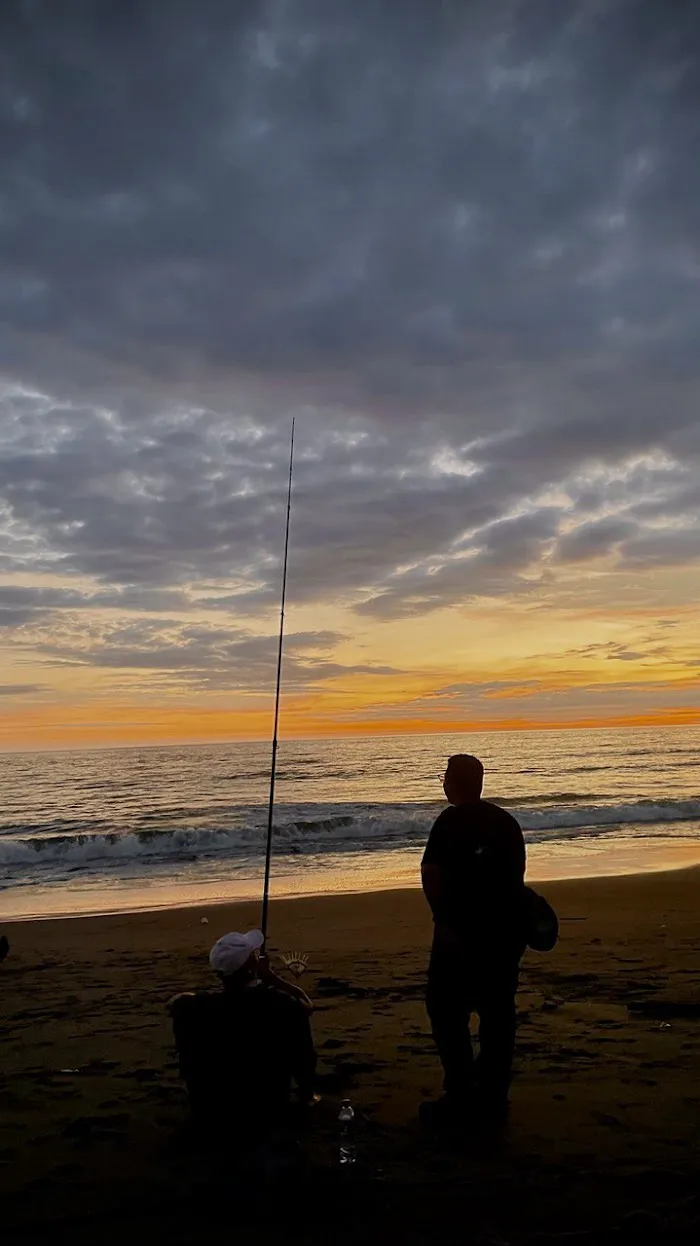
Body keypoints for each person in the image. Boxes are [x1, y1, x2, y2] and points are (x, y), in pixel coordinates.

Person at [421, 754, 527, 1126]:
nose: (443, 784)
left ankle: (462, 1091)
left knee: (446, 1012)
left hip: (459, 936)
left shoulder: (449, 823)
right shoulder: (507, 823)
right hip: (504, 937)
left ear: (453, 782)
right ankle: (494, 1093)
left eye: (445, 778)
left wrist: (443, 919)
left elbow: (431, 873)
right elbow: (516, 881)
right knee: (498, 1014)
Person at [168, 929, 317, 1143]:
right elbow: (306, 1005)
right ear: (250, 968)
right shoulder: (278, 1003)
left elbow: (174, 1002)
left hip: (213, 1108)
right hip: (266, 1108)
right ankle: (307, 1094)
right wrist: (272, 978)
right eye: (254, 956)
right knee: (297, 1028)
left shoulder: (194, 1007)